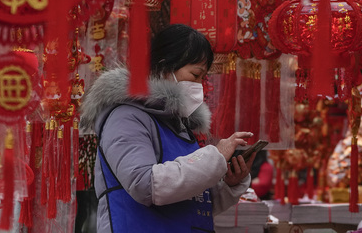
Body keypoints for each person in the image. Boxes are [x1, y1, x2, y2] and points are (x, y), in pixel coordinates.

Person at [80, 24, 255, 233]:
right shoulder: (126, 117)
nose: (201, 85)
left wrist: (228, 183)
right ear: (164, 69)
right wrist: (214, 156)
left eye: (203, 78)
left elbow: (192, 203)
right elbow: (144, 185)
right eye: (195, 75)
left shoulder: (177, 124)